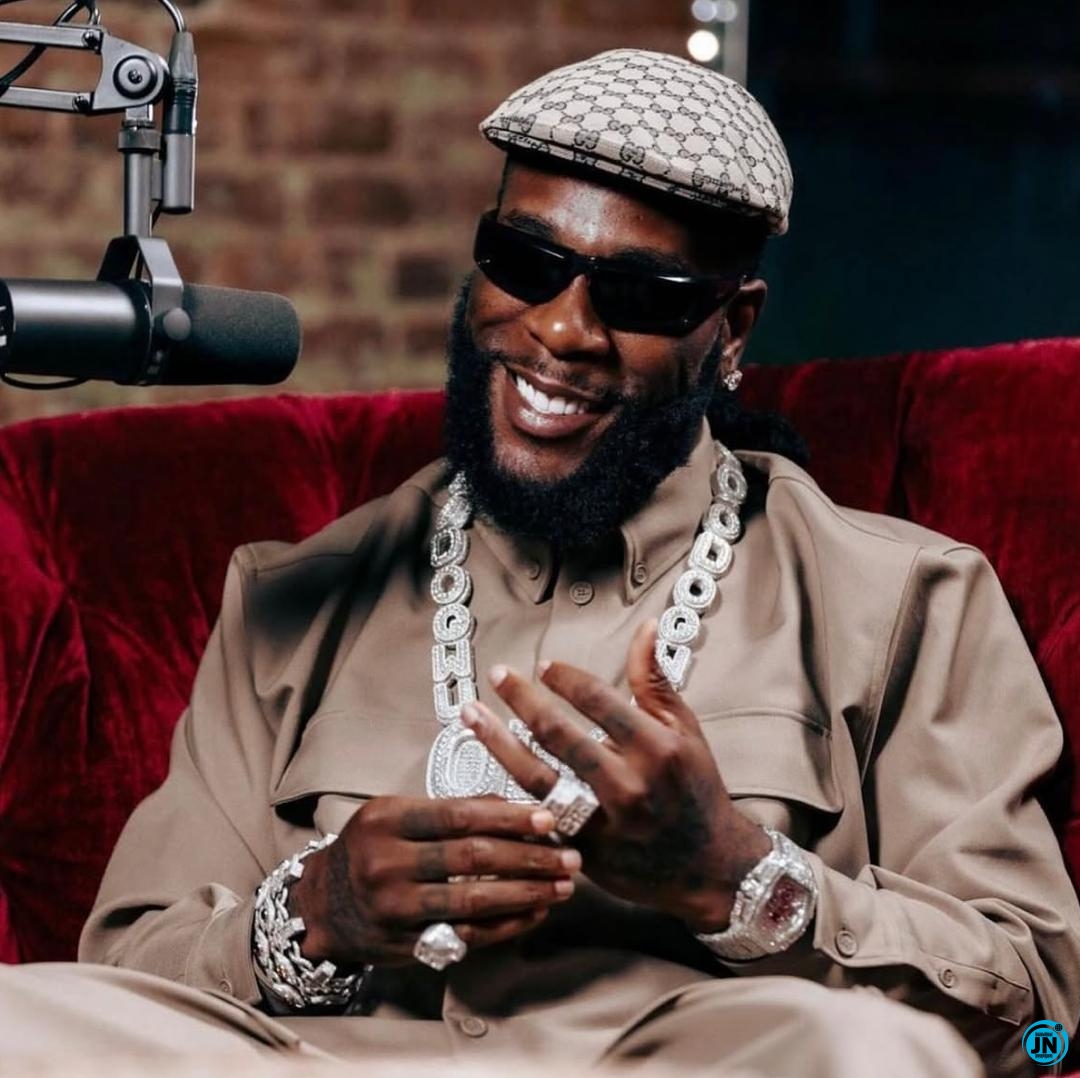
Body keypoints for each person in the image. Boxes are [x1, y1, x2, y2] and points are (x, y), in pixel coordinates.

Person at [2, 48, 1077, 1078]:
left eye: (641, 295)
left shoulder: (903, 598)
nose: (562, 329)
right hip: (334, 1066)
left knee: (856, 1053)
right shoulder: (291, 598)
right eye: (527, 262)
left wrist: (739, 878)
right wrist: (320, 912)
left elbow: (1040, 1026)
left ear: (731, 329)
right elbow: (126, 967)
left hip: (684, 1067)